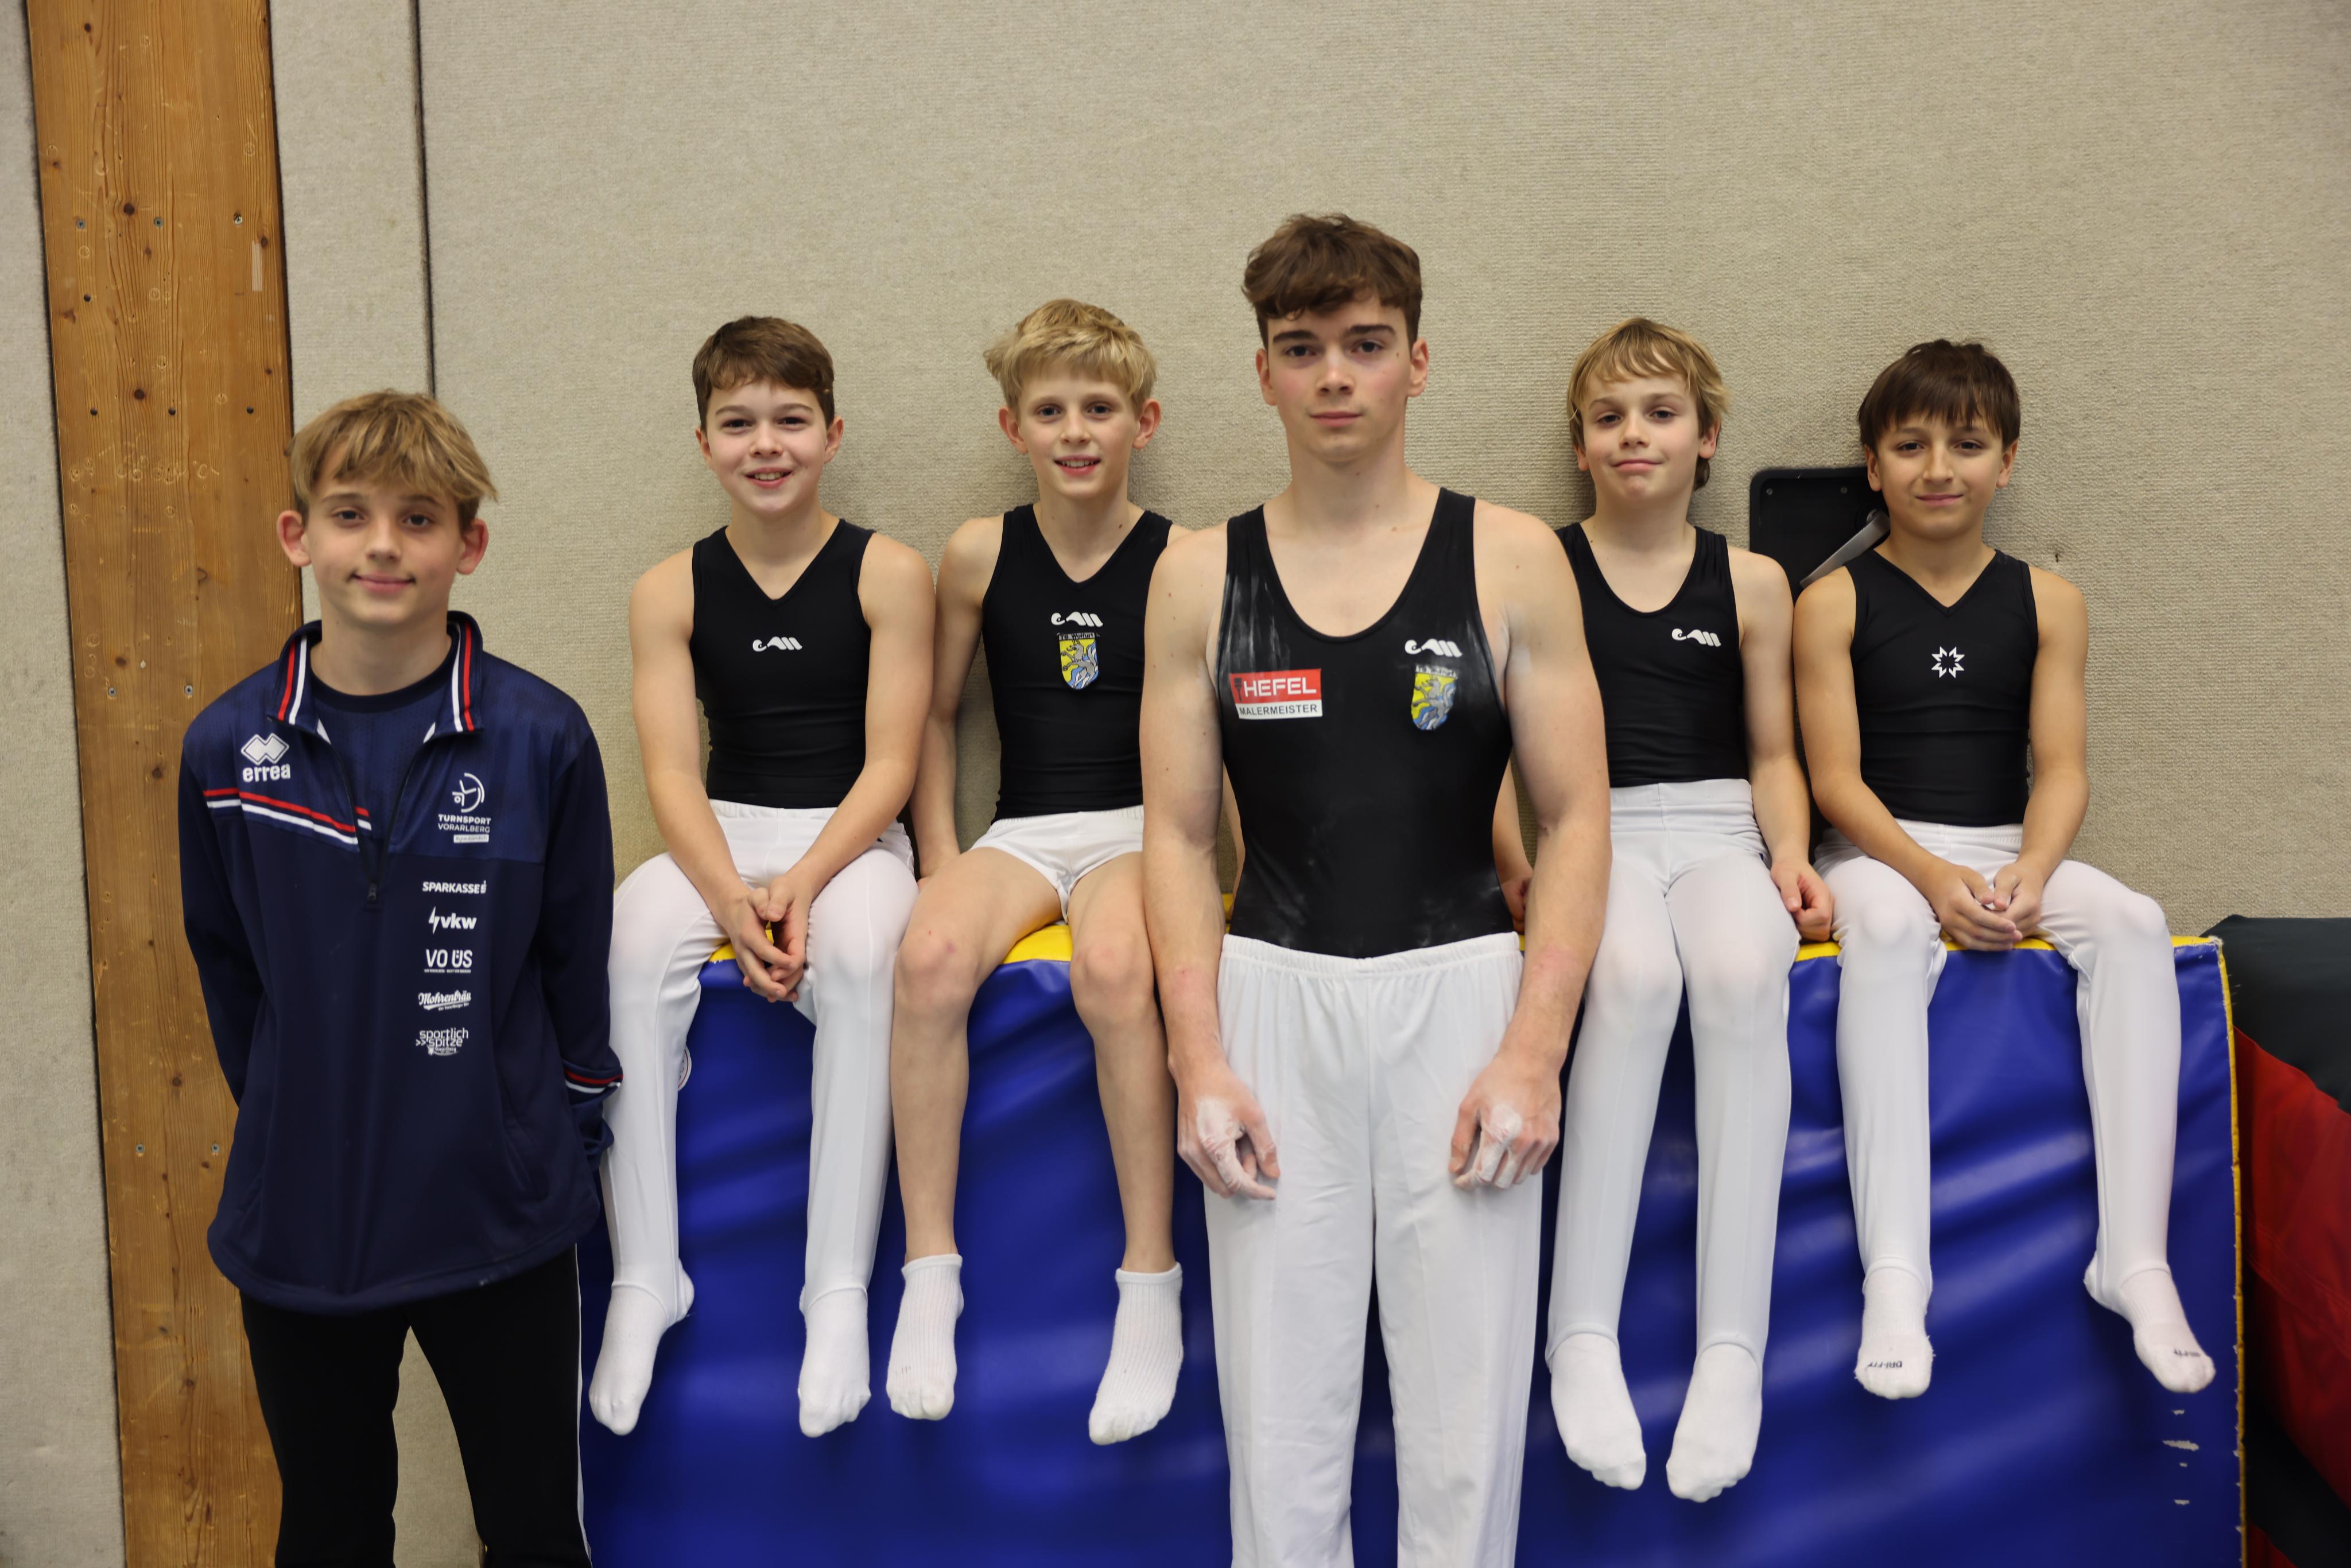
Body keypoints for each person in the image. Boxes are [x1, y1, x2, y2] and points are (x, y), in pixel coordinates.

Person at [1142, 213, 1610, 1568]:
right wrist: (1198, 1059)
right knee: (1279, 1430)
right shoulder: (1196, 574)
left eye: (1364, 344)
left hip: (1460, 1002)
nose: (1335, 375)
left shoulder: (1509, 558)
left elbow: (1577, 819)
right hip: (1269, 1004)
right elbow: (1175, 837)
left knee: (1464, 1433)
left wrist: (1533, 1049)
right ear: (1262, 372)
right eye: (1302, 349)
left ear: (1417, 359)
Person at [178, 390, 616, 1565]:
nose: (382, 544)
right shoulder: (226, 749)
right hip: (303, 1219)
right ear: (298, 536)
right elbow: (228, 968)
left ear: (468, 544)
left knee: (533, 1530)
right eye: (350, 513)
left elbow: (576, 963)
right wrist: (299, 1111)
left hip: (499, 1214)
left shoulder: (540, 737)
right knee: (329, 1529)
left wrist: (545, 1134)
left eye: (418, 518)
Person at [1792, 339, 2215, 1400]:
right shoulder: (1833, 602)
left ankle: (2136, 1260)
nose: (1940, 468)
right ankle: (1897, 1277)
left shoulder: (2050, 601)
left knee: (2132, 920)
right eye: (1911, 446)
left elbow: (2063, 769)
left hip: (2003, 846)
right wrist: (1931, 877)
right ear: (1873, 464)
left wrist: (2032, 869)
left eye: (1968, 445)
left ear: (2009, 461)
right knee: (1891, 931)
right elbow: (1834, 781)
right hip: (1880, 852)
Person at [1495, 319, 1828, 1501]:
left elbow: (1774, 752)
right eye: (1607, 417)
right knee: (1631, 982)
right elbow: (1491, 742)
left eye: (1660, 413)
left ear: (1707, 438)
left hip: (1721, 830)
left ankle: (1731, 1353)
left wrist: (1790, 855)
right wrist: (1515, 860)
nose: (1633, 434)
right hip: (1595, 833)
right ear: (1579, 446)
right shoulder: (1536, 565)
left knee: (1739, 977)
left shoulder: (1751, 582)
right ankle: (1579, 1334)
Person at [589, 317, 934, 1439]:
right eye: (738, 424)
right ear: (704, 443)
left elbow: (892, 765)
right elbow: (670, 773)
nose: (766, 444)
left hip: (851, 837)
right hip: (724, 833)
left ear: (831, 433)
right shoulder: (668, 590)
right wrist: (730, 897)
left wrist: (807, 882)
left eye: (790, 420)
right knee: (627, 944)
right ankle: (648, 1274)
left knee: (869, 956)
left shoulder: (889, 572)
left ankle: (834, 1291)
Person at [884, 300, 1188, 1442]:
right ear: (1012, 427)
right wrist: (939, 855)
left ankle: (1148, 1281)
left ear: (1142, 422)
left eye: (1098, 408)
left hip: (1135, 829)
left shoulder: (1184, 558)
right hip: (1021, 828)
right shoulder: (978, 552)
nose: (1074, 431)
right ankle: (930, 1274)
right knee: (928, 957)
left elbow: (1213, 728)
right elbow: (935, 713)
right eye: (1049, 410)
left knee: (1112, 970)